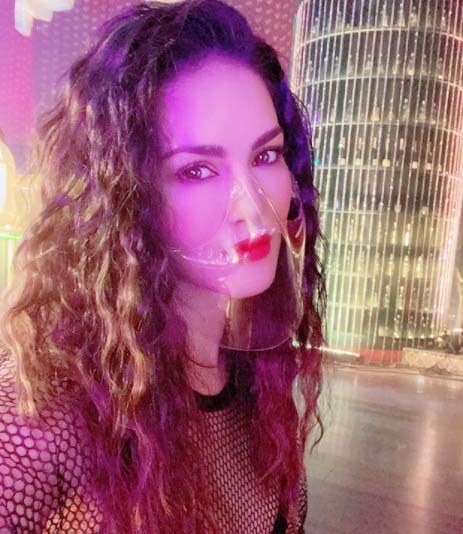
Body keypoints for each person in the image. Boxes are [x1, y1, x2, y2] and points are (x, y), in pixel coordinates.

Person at [0, 0, 326, 532]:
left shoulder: (258, 387)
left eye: (266, 156)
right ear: (125, 195)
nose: (252, 209)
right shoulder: (40, 413)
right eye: (197, 170)